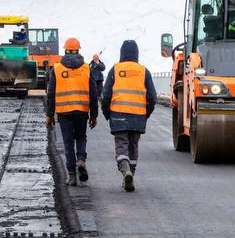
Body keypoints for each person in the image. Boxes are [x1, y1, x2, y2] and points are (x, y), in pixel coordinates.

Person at [101, 39, 156, 192]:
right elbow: (152, 97)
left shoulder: (115, 69)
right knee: (133, 146)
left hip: (118, 116)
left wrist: (107, 114)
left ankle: (125, 172)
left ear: (122, 53)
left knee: (121, 146)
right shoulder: (144, 71)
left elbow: (106, 95)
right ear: (136, 53)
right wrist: (146, 114)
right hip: (138, 117)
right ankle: (131, 173)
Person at [46, 38, 99, 186]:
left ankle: (71, 175)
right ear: (78, 50)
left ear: (65, 50)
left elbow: (51, 94)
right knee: (81, 137)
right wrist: (94, 115)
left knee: (68, 142)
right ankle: (81, 159)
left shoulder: (57, 68)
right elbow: (93, 93)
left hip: (64, 112)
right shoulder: (86, 69)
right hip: (81, 111)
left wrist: (49, 115)